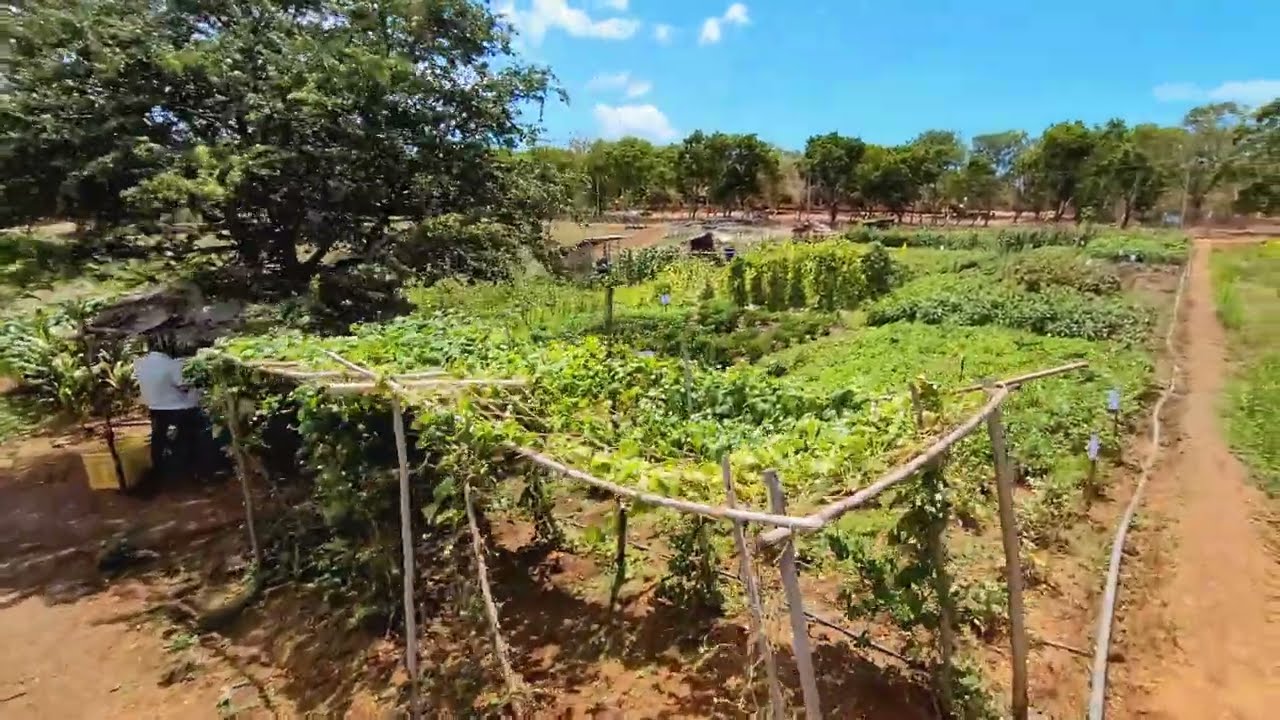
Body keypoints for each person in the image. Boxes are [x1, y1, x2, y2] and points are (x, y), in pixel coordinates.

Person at [133, 334, 203, 481]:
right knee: (187, 435)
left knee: (158, 437)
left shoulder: (140, 364)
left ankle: (159, 468)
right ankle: (188, 468)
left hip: (155, 407)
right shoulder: (171, 364)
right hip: (178, 408)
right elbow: (183, 385)